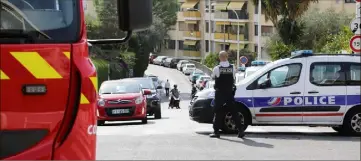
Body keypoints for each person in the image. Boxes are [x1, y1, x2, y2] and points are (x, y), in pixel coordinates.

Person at [210, 51, 245, 139]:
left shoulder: (217, 68)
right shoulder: (233, 67)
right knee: (234, 112)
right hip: (229, 93)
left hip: (220, 94)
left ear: (220, 57)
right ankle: (241, 130)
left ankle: (216, 132)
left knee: (218, 112)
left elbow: (213, 77)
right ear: (227, 57)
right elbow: (234, 78)